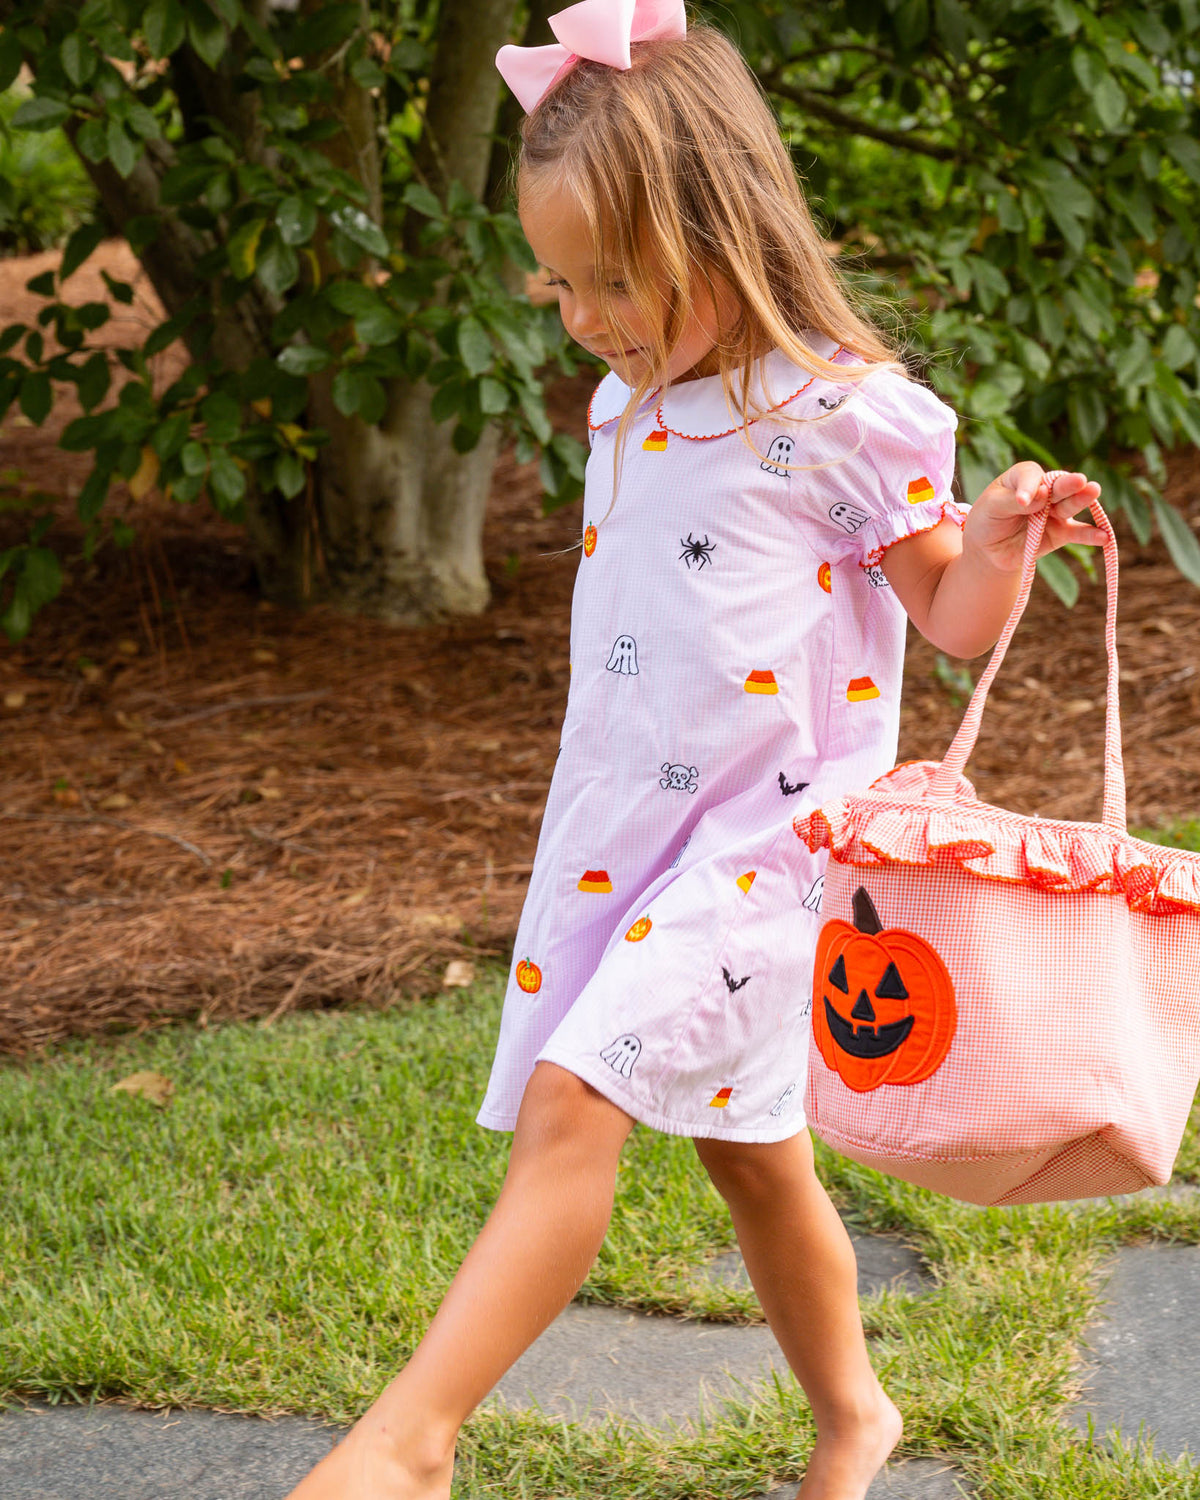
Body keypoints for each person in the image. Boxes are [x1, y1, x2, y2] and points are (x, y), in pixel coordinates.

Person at [285, 5, 1104, 1498]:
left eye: (620, 279)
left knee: (574, 1100)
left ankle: (411, 1442)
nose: (591, 315)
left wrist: (989, 543)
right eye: (563, 283)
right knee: (755, 1156)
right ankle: (857, 1415)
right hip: (627, 835)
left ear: (726, 229)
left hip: (772, 853)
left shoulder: (838, 410)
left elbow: (952, 619)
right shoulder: (628, 397)